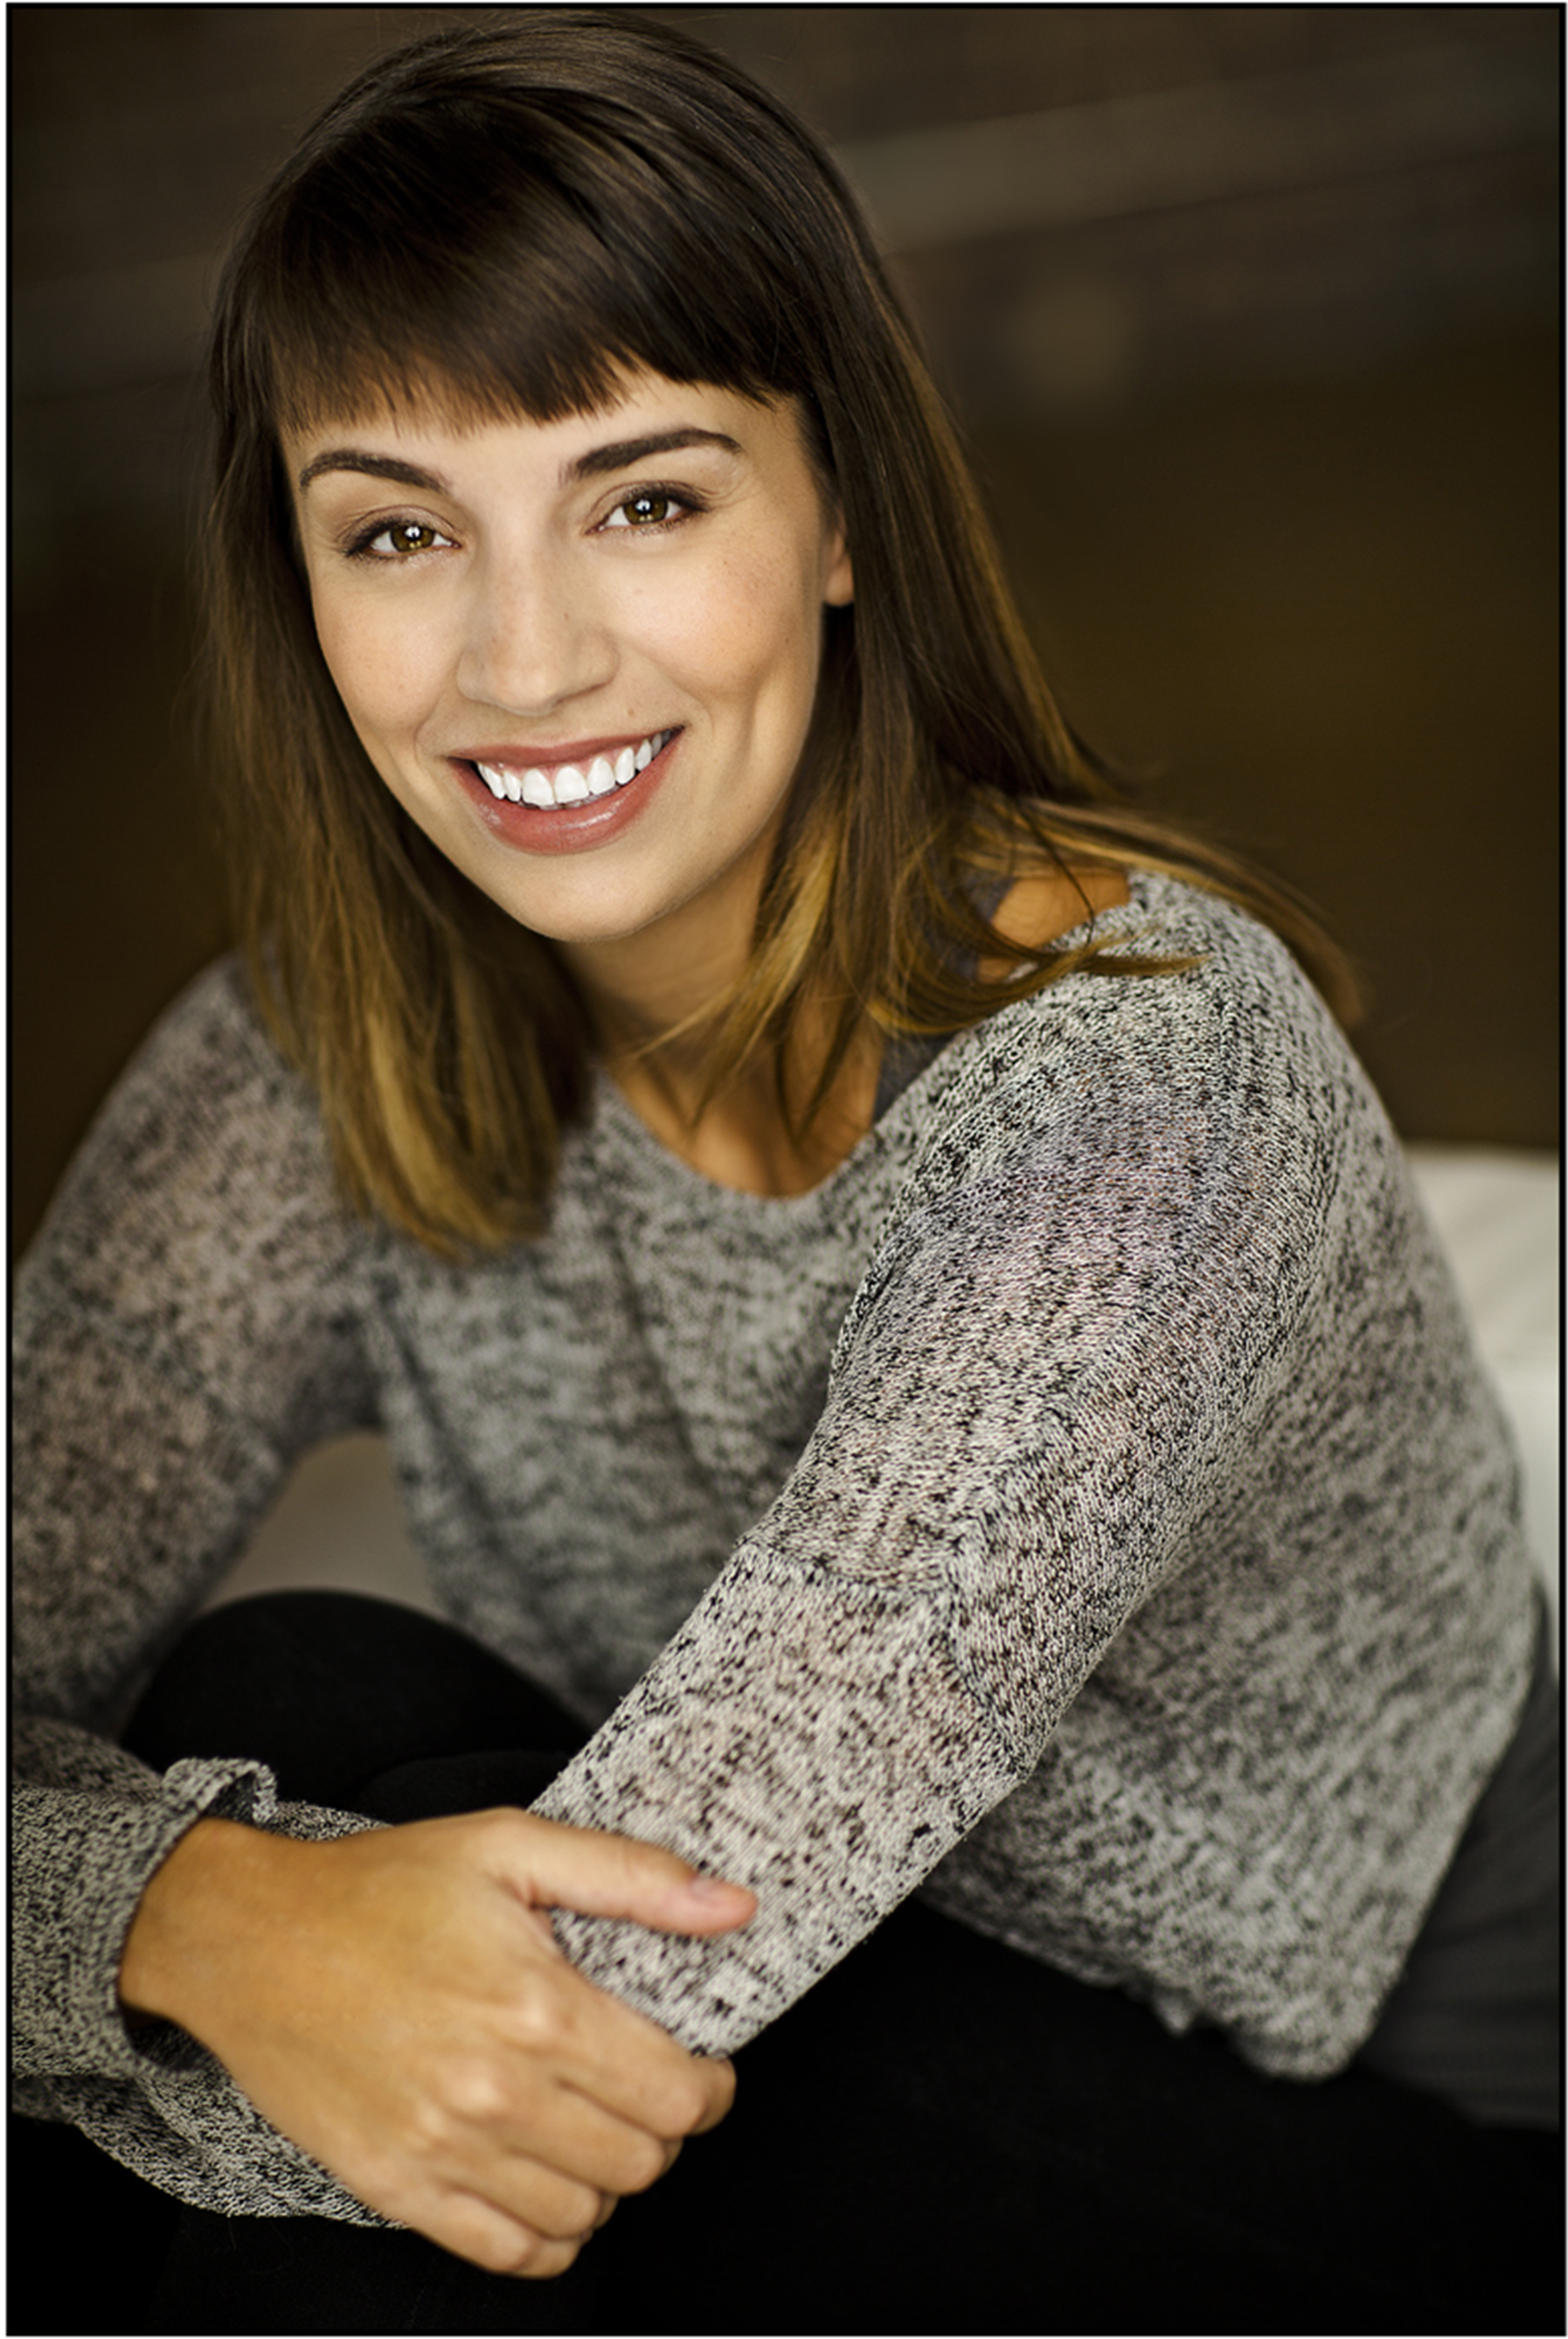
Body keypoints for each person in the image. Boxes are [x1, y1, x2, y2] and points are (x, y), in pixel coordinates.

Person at [12, 14, 1558, 2334]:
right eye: (400, 531)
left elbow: (578, 2014)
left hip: (1377, 2143)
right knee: (294, 1705)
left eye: (645, 499)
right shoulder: (315, 1060)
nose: (523, 662)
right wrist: (185, 1914)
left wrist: (173, 1939)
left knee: (396, 1986)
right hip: (839, 1991)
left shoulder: (1140, 1119)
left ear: (836, 515)